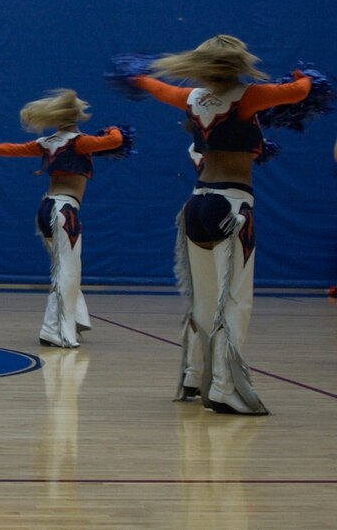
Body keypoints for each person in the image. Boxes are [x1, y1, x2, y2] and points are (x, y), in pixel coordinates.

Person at [127, 34, 312, 415]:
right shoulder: (249, 97)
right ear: (238, 64)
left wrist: (136, 76)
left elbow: (155, 87)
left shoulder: (192, 98)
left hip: (196, 206)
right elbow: (299, 91)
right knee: (234, 303)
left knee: (204, 301)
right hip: (231, 206)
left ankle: (195, 376)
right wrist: (305, 74)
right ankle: (225, 388)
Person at [0, 89, 125, 349]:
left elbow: (13, 149)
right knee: (69, 272)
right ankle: (59, 332)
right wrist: (113, 130)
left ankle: (66, 323)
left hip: (45, 209)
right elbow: (116, 141)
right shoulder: (80, 142)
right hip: (64, 211)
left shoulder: (47, 142)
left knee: (63, 270)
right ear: (76, 117)